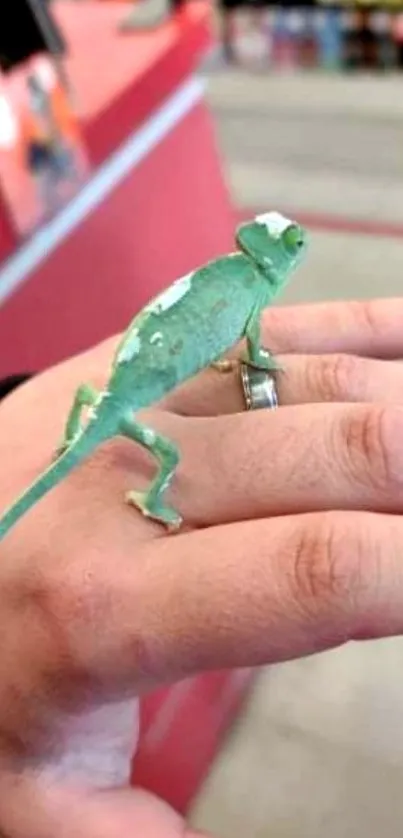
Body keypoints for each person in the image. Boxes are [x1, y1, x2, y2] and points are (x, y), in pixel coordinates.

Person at [1, 295, 403, 836]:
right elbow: (240, 339)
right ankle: (154, 498)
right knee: (167, 457)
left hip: (103, 400)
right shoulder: (252, 294)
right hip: (124, 401)